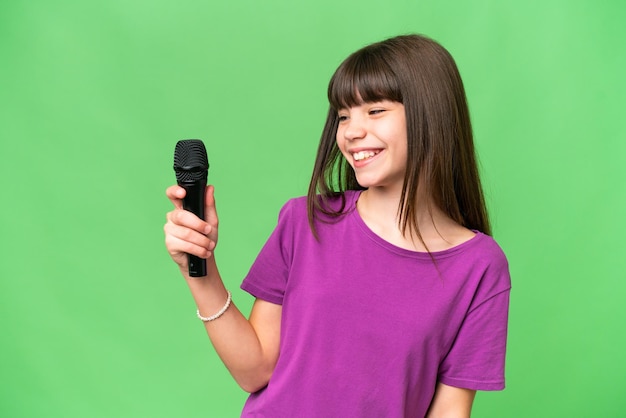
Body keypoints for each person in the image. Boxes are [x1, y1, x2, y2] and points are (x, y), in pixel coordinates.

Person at [164, 34, 511, 417]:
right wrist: (199, 269)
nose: (350, 131)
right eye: (344, 115)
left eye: (375, 111)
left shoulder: (479, 266)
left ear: (433, 112)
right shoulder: (304, 221)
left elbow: (449, 410)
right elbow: (255, 370)